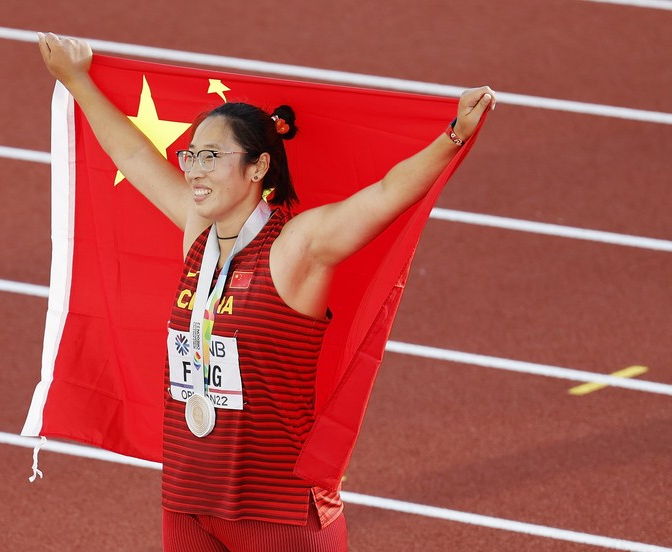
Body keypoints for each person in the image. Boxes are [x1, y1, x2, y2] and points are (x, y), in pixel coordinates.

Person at [37, 32, 496, 552]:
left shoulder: (298, 246)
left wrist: (453, 136)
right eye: (191, 155)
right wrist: (76, 80)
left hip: (278, 511)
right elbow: (136, 158)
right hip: (190, 499)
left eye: (212, 156)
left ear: (257, 167)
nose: (195, 169)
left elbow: (388, 193)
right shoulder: (199, 236)